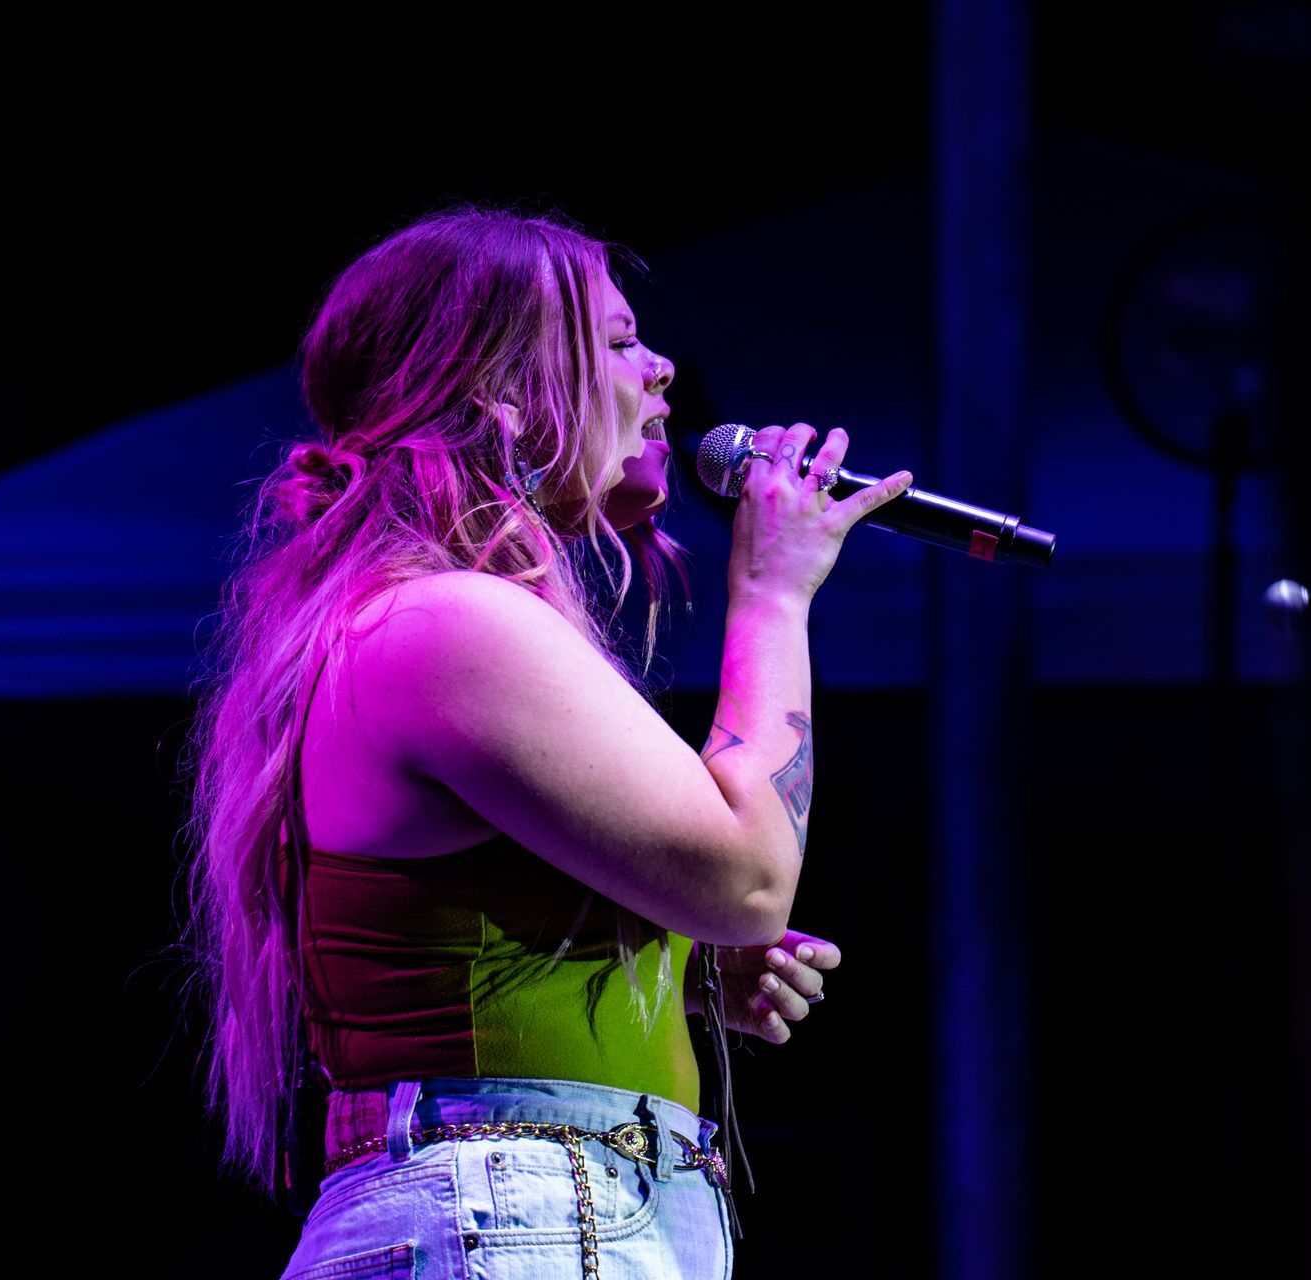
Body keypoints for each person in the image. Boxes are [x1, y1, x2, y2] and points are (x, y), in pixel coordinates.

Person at [181, 205, 913, 1280]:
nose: (663, 368)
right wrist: (771, 594)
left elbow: (474, 931)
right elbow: (749, 875)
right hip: (518, 1211)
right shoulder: (444, 621)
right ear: (502, 393)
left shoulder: (419, 621)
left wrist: (668, 967)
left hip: (532, 1207)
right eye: (617, 341)